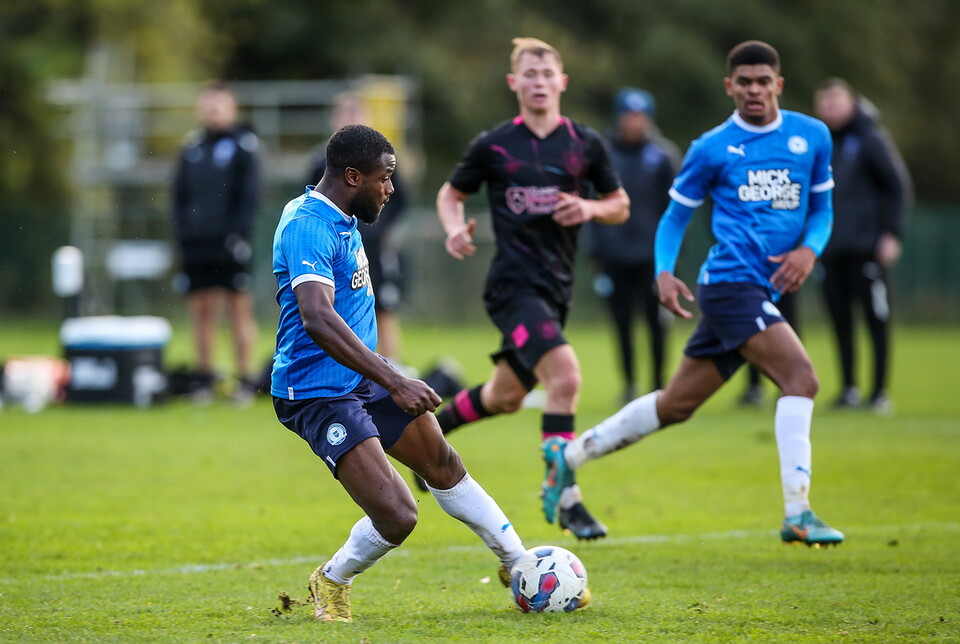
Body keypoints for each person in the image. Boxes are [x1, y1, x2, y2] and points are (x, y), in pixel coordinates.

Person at [541, 40, 845, 547]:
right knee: (802, 378)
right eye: (743, 82)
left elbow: (822, 210)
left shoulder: (811, 136)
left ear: (778, 84)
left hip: (758, 288)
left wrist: (810, 250)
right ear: (730, 87)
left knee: (677, 404)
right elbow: (675, 216)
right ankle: (799, 512)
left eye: (762, 81)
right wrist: (663, 270)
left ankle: (567, 458)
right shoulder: (711, 147)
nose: (753, 90)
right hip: (730, 286)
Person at [271, 124, 542, 622]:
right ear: (353, 176)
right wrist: (395, 379)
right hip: (316, 392)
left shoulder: (341, 216)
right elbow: (318, 317)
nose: (391, 188)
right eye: (385, 177)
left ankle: (519, 564)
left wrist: (385, 377)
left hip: (359, 378)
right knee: (398, 515)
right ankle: (330, 580)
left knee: (442, 462)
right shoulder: (308, 224)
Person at [434, 37, 630, 540]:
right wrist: (454, 227)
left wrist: (588, 208)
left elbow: (620, 203)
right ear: (514, 83)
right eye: (530, 73)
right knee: (564, 376)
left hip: (555, 291)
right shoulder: (495, 144)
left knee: (504, 396)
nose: (539, 81)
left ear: (561, 83)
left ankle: (432, 432)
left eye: (547, 73)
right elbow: (451, 193)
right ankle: (566, 498)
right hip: (512, 288)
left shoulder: (585, 144)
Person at [814, 78, 912, 414]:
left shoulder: (870, 138)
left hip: (866, 249)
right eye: (824, 102)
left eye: (836, 100)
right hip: (830, 250)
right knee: (840, 321)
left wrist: (891, 233)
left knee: (875, 319)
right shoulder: (820, 143)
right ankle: (849, 389)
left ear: (852, 102)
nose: (830, 107)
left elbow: (897, 186)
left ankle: (879, 392)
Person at [586, 88, 679, 403]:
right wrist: (595, 254)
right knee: (622, 324)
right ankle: (628, 384)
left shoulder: (663, 156)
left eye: (641, 117)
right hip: (614, 256)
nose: (635, 123)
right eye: (630, 116)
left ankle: (658, 385)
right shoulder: (603, 155)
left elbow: (676, 211)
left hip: (652, 257)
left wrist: (671, 257)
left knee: (657, 323)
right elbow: (590, 203)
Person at [172, 81, 260, 402]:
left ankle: (245, 378)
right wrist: (182, 235)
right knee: (201, 310)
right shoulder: (192, 147)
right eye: (208, 106)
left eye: (219, 106)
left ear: (231, 108)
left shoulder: (243, 145)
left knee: (238, 309)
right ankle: (204, 377)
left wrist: (238, 234)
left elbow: (249, 196)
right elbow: (179, 196)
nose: (213, 112)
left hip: (230, 243)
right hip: (196, 243)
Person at [306, 92, 408, 365]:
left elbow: (400, 200)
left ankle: (390, 364)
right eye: (344, 114)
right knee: (335, 303)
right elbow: (309, 199)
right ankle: (349, 364)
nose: (388, 187)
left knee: (382, 304)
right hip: (336, 246)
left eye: (356, 114)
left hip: (374, 245)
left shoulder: (383, 157)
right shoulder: (320, 162)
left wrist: (377, 229)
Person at [739, 290, 797, 406]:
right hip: (747, 283)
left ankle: (789, 386)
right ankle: (755, 387)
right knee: (752, 329)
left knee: (803, 380)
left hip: (775, 279)